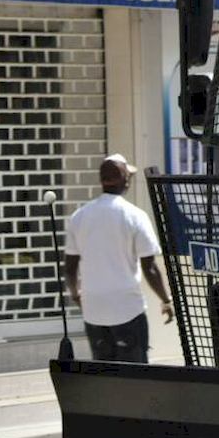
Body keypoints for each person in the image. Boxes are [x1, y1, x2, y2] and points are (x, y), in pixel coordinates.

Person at [64, 153, 174, 362]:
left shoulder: (79, 216)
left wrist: (77, 295)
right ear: (125, 180)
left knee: (104, 373)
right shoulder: (135, 216)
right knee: (135, 374)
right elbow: (149, 268)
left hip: (93, 310)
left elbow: (70, 268)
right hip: (127, 308)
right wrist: (165, 300)